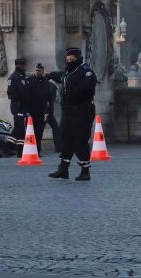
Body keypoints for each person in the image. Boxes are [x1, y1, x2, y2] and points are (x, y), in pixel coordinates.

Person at [46, 48, 97, 181]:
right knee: (66, 138)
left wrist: (71, 95)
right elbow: (60, 76)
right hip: (68, 111)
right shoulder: (68, 72)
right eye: (67, 60)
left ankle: (85, 171)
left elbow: (87, 88)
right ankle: (63, 169)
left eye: (72, 59)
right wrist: (48, 75)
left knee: (80, 140)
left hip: (82, 110)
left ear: (78, 59)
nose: (69, 61)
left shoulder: (86, 72)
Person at [4, 57, 29, 157]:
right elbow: (23, 92)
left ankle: (19, 150)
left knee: (20, 129)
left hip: (16, 104)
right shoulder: (18, 77)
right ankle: (7, 148)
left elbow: (9, 92)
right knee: (19, 128)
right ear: (19, 65)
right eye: (23, 65)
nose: (24, 67)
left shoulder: (12, 76)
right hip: (19, 105)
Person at [25, 63, 52, 147]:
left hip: (41, 110)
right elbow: (26, 95)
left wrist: (48, 110)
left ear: (42, 71)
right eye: (36, 70)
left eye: (39, 71)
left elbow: (48, 97)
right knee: (30, 130)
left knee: (39, 131)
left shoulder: (46, 82)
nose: (37, 72)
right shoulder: (29, 80)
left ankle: (38, 149)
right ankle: (29, 148)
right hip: (31, 110)